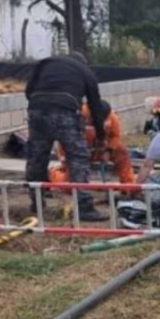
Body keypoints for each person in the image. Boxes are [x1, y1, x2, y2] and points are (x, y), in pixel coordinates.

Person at [24, 52, 109, 221]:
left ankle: (36, 202)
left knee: (37, 156)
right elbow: (95, 106)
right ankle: (84, 207)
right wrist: (100, 135)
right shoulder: (86, 72)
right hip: (65, 112)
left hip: (37, 110)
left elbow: (28, 91)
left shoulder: (45, 63)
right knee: (78, 158)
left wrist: (42, 104)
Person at [52, 100, 134, 185]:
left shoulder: (112, 117)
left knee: (122, 151)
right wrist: (63, 156)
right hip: (78, 153)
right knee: (70, 186)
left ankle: (128, 185)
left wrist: (109, 150)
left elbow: (115, 136)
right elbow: (64, 138)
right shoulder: (77, 116)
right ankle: (54, 173)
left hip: (100, 150)